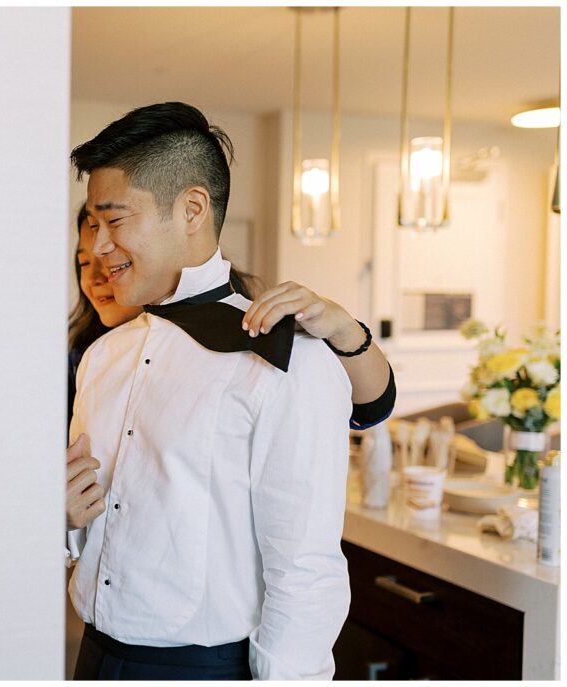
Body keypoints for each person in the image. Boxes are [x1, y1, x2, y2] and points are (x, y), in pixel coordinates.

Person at [65, 102, 358, 680]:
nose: (97, 246)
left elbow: (305, 569)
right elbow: (89, 522)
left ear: (192, 209)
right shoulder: (101, 357)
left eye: (114, 221)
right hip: (91, 654)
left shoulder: (286, 358)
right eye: (92, 225)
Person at [69, 209, 396, 434]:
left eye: (112, 260)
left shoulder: (238, 333)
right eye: (85, 262)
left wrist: (343, 328)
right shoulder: (83, 358)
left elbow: (369, 409)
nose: (99, 276)